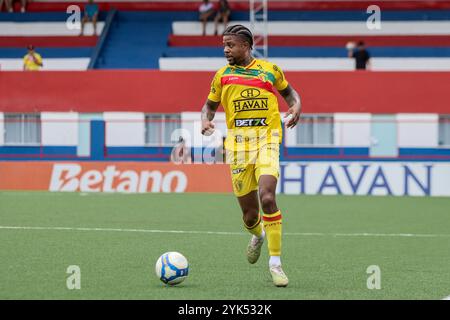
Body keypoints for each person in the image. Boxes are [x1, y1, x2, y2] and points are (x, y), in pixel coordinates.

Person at [200, 25, 302, 287]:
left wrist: (296, 105)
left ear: (246, 46)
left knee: (268, 197)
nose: (226, 49)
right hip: (238, 147)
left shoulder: (269, 70)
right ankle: (257, 235)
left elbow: (289, 93)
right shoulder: (221, 76)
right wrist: (204, 120)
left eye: (230, 45)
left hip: (267, 140)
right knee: (249, 215)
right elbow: (209, 107)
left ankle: (276, 265)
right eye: (224, 45)